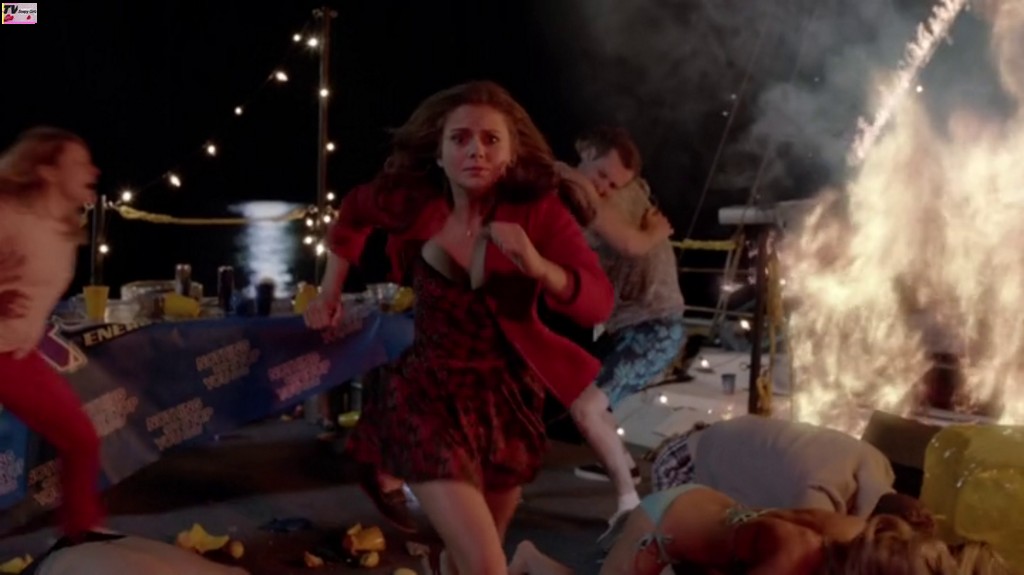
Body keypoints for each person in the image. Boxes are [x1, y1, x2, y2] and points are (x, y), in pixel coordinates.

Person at [303, 80, 614, 575]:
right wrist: (328, 291)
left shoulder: (539, 213)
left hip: (508, 404)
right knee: (487, 567)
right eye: (460, 138)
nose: (476, 151)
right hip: (426, 396)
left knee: (466, 559)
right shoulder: (411, 202)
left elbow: (598, 302)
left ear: (511, 153)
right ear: (439, 151)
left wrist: (539, 266)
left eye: (491, 140)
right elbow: (353, 214)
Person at [554, 127, 685, 527]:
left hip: (654, 326)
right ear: (586, 150)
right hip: (629, 327)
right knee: (584, 392)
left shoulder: (599, 200)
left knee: (586, 408)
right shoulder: (616, 194)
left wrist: (565, 170)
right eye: (602, 175)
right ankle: (623, 463)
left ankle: (630, 506)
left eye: (614, 183)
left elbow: (628, 243)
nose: (604, 188)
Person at [0, 127, 104, 539]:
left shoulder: (63, 225)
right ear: (47, 171)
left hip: (16, 354)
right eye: (79, 163)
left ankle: (80, 540)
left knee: (81, 440)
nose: (93, 171)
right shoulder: (8, 213)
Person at [507, 484, 958, 575]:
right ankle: (530, 558)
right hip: (668, 522)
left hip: (715, 510)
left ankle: (533, 559)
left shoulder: (855, 531)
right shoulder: (793, 556)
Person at [651, 415, 898, 518]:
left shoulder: (880, 463)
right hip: (682, 461)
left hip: (717, 437)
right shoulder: (817, 496)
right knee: (671, 538)